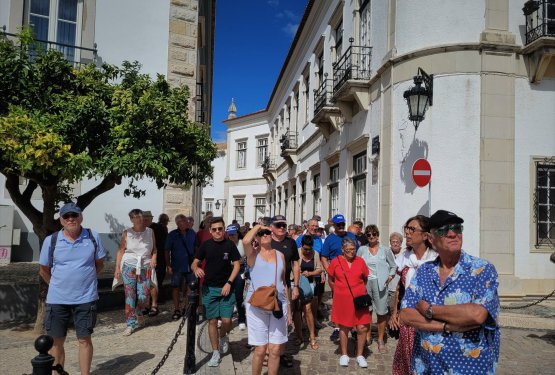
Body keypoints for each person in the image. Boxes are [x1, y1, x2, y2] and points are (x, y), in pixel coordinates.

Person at [400, 210, 500, 374]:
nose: (453, 234)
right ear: (431, 239)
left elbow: (477, 314)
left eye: (457, 228)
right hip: (426, 367)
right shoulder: (424, 271)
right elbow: (405, 315)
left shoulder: (482, 269)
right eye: (444, 230)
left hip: (469, 368)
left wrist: (429, 310)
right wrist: (447, 326)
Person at [39, 202, 105, 375]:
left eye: (74, 215)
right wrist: (58, 285)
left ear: (80, 217)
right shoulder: (51, 240)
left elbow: (99, 265)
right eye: (66, 216)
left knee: (84, 340)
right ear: (61, 220)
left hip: (86, 299)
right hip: (57, 299)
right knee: (56, 342)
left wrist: (84, 282)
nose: (70, 219)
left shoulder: (93, 237)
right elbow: (43, 270)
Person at [242, 223, 291, 375]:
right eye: (262, 233)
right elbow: (245, 241)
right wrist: (258, 227)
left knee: (275, 349)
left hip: (278, 303)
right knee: (261, 349)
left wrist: (289, 309)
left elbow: (284, 283)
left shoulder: (280, 255)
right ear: (257, 236)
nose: (265, 235)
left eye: (267, 233)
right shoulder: (253, 254)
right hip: (257, 305)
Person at [391, 215, 437, 375]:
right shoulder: (405, 257)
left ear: (425, 235)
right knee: (407, 358)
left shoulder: (435, 259)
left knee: (426, 362)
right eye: (407, 229)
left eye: (412, 229)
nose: (407, 233)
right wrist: (395, 312)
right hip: (407, 319)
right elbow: (400, 287)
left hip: (428, 320)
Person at [192, 217, 241, 367]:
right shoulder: (206, 245)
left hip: (226, 288)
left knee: (226, 321)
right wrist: (196, 268)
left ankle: (223, 337)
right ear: (210, 231)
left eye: (220, 229)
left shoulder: (230, 245)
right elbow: (195, 262)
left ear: (224, 229)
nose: (217, 232)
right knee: (212, 321)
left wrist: (229, 283)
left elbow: (237, 266)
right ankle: (215, 352)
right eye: (214, 229)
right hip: (209, 289)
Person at [327, 238, 370, 368]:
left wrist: (359, 290)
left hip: (359, 300)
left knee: (362, 327)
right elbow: (330, 279)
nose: (352, 252)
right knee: (344, 326)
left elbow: (365, 278)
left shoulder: (360, 261)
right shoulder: (336, 261)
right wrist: (338, 291)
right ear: (342, 250)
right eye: (349, 250)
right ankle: (344, 354)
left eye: (353, 249)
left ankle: (360, 355)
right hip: (342, 300)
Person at [115, 209, 157, 336]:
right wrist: (117, 268)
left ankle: (139, 312)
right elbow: (121, 250)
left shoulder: (150, 232)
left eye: (139, 217)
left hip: (145, 267)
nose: (138, 220)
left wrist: (154, 258)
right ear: (131, 219)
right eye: (135, 218)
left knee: (144, 295)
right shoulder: (127, 233)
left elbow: (154, 249)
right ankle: (130, 323)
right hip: (129, 267)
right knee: (129, 296)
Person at [356, 225, 397, 353]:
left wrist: (390, 276)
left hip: (380, 284)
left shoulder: (385, 250)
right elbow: (357, 264)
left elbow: (393, 266)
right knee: (367, 311)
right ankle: (367, 337)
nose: (371, 237)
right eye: (368, 235)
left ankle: (380, 339)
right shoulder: (362, 249)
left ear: (378, 235)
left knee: (381, 312)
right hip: (365, 283)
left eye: (374, 234)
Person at [320, 213, 358, 342]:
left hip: (351, 274)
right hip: (337, 276)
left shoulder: (351, 236)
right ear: (334, 225)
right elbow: (324, 257)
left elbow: (357, 254)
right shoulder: (330, 239)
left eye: (343, 224)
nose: (341, 226)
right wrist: (330, 272)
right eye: (339, 225)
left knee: (352, 300)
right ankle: (337, 328)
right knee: (338, 301)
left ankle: (352, 327)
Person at [269, 215, 300, 367]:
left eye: (284, 225)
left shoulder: (291, 243)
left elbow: (295, 265)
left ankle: (279, 354)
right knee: (268, 320)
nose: (282, 227)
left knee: (285, 321)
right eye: (278, 225)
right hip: (267, 288)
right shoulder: (267, 241)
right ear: (271, 227)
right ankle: (269, 353)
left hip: (285, 285)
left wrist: (296, 286)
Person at [165, 214, 197, 320]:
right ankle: (177, 309)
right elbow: (167, 250)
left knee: (190, 287)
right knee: (175, 287)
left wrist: (196, 262)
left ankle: (186, 307)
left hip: (190, 265)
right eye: (184, 221)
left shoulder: (192, 233)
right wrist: (168, 265)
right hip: (177, 266)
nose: (187, 223)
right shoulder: (172, 235)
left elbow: (196, 247)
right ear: (179, 223)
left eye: (187, 221)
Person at [293, 235, 322, 349]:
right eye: (305, 249)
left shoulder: (315, 254)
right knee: (297, 309)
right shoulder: (297, 252)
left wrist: (310, 273)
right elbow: (292, 267)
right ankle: (299, 335)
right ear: (301, 246)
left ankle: (312, 336)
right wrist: (297, 273)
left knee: (308, 309)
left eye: (309, 249)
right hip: (296, 283)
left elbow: (319, 269)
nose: (307, 251)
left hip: (309, 284)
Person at [295, 219, 325, 326]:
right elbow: (295, 255)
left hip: (315, 271)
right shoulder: (300, 239)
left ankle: (314, 318)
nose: (315, 228)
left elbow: (321, 256)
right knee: (303, 297)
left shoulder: (319, 240)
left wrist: (322, 271)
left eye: (316, 226)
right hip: (301, 272)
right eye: (312, 225)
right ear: (307, 226)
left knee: (315, 298)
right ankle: (303, 319)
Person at [226, 224, 247, 330]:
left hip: (240, 270)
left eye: (233, 234)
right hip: (228, 271)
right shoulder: (226, 244)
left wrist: (238, 262)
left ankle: (241, 319)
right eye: (230, 235)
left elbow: (246, 257)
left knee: (239, 296)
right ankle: (225, 318)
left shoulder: (242, 243)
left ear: (237, 234)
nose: (232, 237)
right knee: (227, 295)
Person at [149, 213, 169, 310]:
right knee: (159, 277)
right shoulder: (163, 228)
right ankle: (158, 298)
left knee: (154, 277)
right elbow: (166, 242)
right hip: (160, 254)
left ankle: (154, 298)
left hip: (154, 253)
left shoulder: (153, 226)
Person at [387, 231, 404, 337]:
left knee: (398, 309)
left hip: (399, 286)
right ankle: (391, 328)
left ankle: (398, 329)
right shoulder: (387, 252)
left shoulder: (404, 253)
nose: (395, 243)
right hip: (389, 285)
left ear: (401, 243)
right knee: (389, 308)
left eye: (397, 241)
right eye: (393, 241)